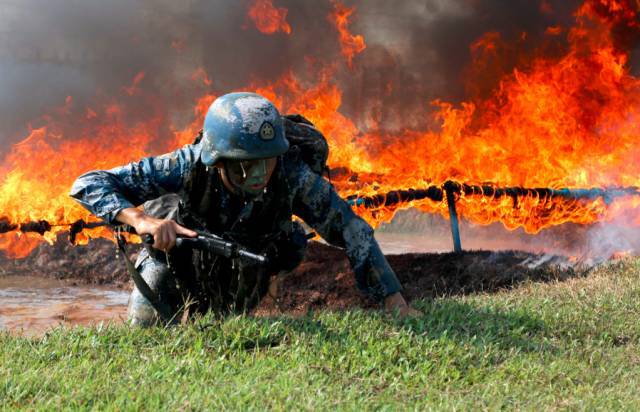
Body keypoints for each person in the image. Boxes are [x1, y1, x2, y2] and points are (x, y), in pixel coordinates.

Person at [70, 92, 419, 326]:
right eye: (243, 164)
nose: (256, 175)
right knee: (146, 330)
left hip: (244, 275)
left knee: (228, 329)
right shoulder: (188, 163)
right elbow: (88, 183)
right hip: (176, 266)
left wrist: (393, 301)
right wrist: (141, 219)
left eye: (264, 163)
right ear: (216, 160)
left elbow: (351, 229)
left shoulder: (292, 174)